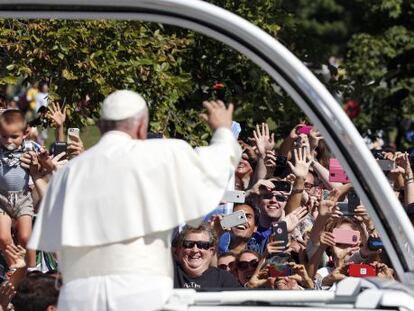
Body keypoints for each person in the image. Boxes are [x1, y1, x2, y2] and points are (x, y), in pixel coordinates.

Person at [28, 90, 241, 310]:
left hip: (79, 298)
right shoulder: (163, 156)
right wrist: (223, 131)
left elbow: (55, 246)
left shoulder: (68, 172)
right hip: (138, 294)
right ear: (141, 127)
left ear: (101, 126)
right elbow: (216, 164)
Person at [0, 109, 39, 269]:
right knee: (3, 237)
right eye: (4, 136)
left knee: (25, 237)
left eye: (14, 136)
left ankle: (31, 270)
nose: (8, 140)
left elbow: (46, 162)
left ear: (25, 133)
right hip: (2, 199)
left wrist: (40, 160)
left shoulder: (30, 147)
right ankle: (15, 269)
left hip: (23, 198)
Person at [174, 224, 240, 289]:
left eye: (202, 245)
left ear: (211, 251)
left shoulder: (224, 279)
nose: (195, 250)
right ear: (180, 249)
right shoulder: (167, 276)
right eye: (188, 244)